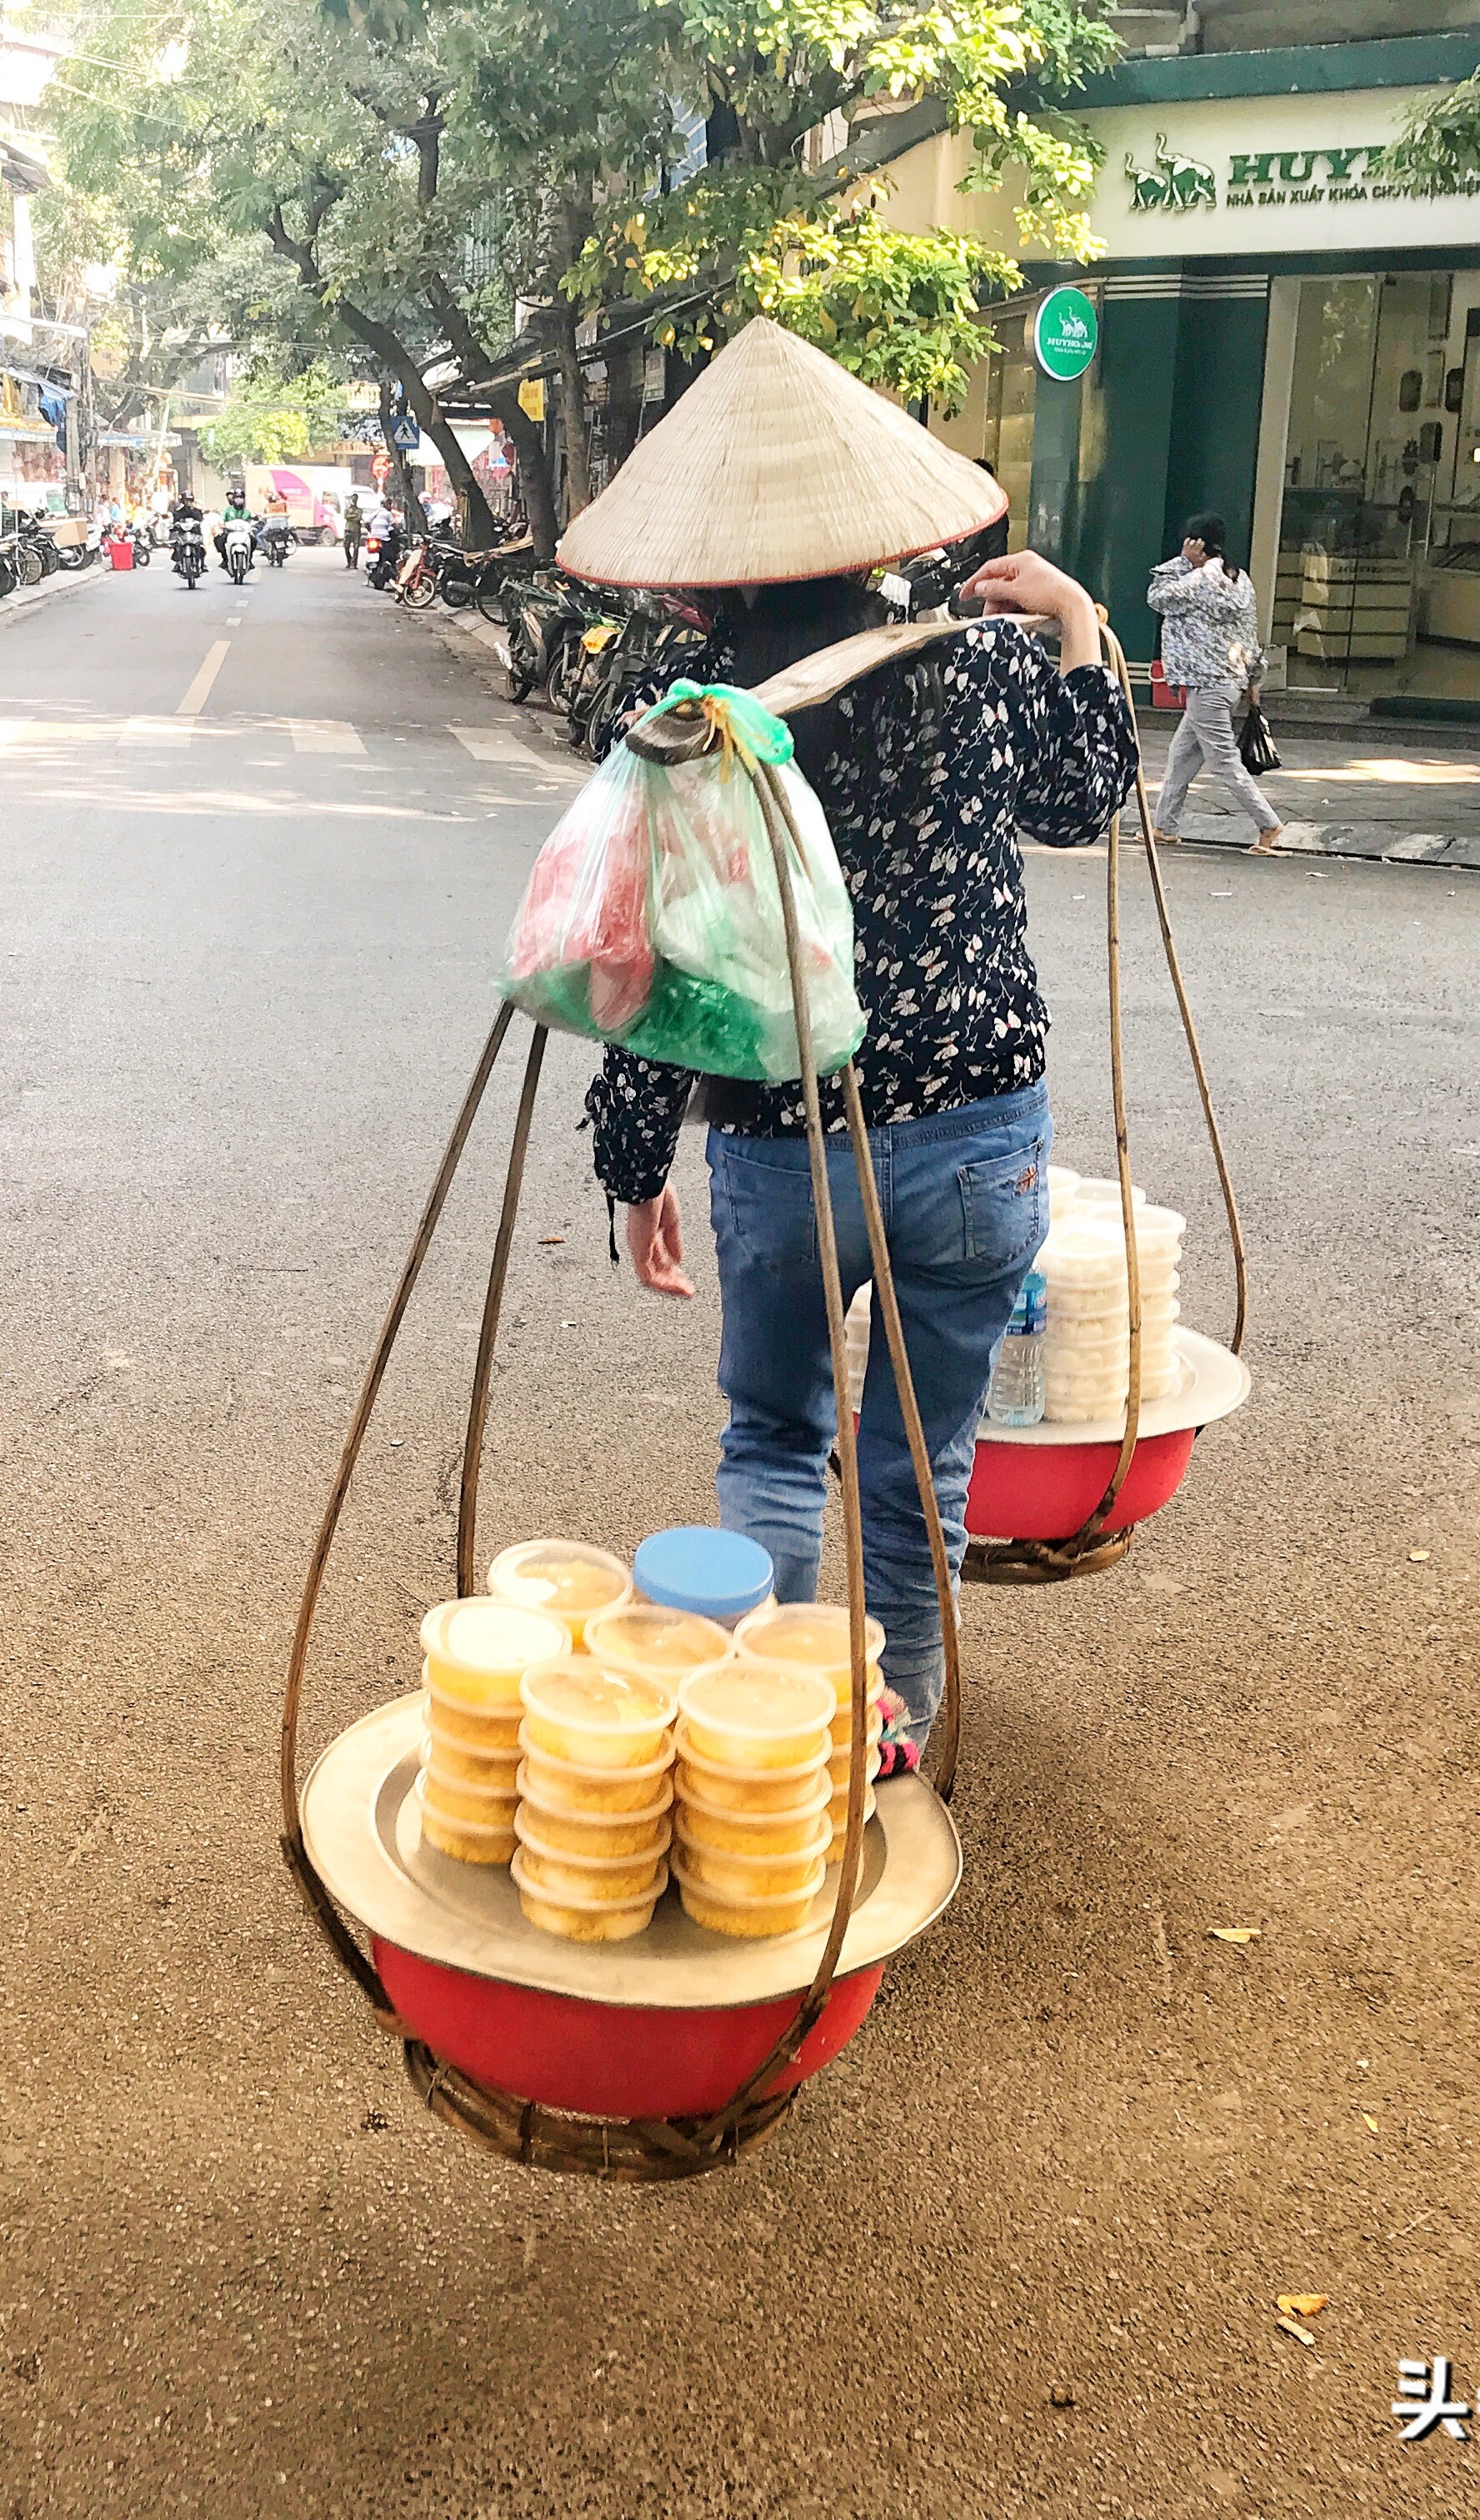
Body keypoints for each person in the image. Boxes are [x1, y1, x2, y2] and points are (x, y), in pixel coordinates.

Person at [562, 318, 1137, 1775]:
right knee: (919, 1470)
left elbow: (657, 965)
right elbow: (1081, 801)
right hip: (978, 1134)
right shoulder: (978, 664)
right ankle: (889, 1753)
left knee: (773, 1441)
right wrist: (1076, 620)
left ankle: (763, 1755)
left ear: (708, 569)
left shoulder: (695, 726)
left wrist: (635, 1167)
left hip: (784, 1141)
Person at [1146, 512, 1288, 853]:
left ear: (1195, 543)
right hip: (1229, 683)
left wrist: (1183, 561)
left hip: (1208, 684)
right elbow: (1247, 633)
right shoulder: (1240, 580)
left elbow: (1158, 597)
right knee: (1182, 754)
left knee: (1224, 760)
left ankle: (1269, 824)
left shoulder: (1199, 579)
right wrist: (1253, 679)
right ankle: (1164, 826)